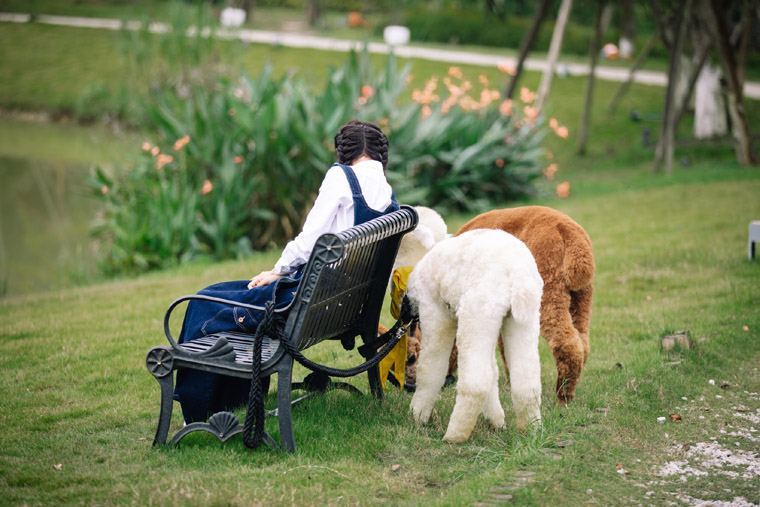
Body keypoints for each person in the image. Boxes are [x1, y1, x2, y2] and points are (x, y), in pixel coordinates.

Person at [174, 119, 399, 423]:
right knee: (223, 295)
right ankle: (233, 400)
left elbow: (310, 241)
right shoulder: (386, 193)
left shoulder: (341, 177)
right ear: (379, 154)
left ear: (343, 153)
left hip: (305, 302)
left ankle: (196, 411)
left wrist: (278, 271)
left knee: (203, 301)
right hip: (338, 305)